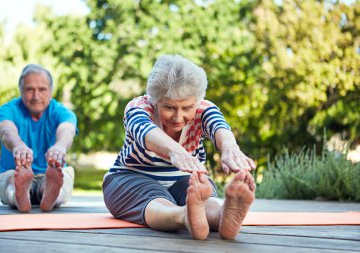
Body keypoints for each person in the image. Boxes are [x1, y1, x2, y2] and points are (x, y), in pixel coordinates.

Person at [103, 54, 256, 240]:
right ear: (155, 100)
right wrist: (174, 151)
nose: (178, 117)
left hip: (184, 180)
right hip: (133, 178)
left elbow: (219, 127)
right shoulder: (138, 107)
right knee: (155, 198)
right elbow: (146, 131)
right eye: (169, 107)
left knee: (199, 195)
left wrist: (230, 148)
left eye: (187, 108)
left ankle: (223, 215)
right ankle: (184, 216)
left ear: (197, 101)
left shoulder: (205, 109)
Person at [0, 64, 77, 213]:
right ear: (21, 91)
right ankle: (21, 195)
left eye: (42, 89)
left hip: (50, 172)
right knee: (13, 180)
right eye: (30, 89)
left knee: (60, 178)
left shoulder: (62, 112)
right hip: (15, 172)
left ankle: (49, 194)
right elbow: (6, 131)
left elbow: (67, 130)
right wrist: (18, 146)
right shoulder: (7, 110)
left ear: (51, 91)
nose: (36, 96)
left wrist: (60, 146)